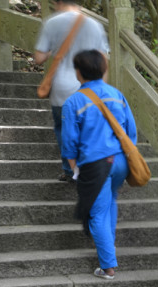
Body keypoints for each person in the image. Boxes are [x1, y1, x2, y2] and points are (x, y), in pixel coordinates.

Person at [62, 50, 137, 280]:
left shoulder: (74, 101)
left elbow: (69, 142)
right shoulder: (117, 95)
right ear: (103, 70)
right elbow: (131, 132)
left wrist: (75, 168)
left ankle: (108, 267)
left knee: (96, 213)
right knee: (109, 201)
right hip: (120, 161)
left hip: (96, 164)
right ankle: (109, 248)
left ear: (78, 72)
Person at [34, 0, 109, 182]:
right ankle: (90, 167)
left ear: (59, 2)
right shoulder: (95, 25)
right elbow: (103, 60)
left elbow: (38, 58)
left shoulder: (51, 22)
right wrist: (101, 88)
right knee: (88, 127)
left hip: (61, 87)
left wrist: (55, 50)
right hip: (89, 87)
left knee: (63, 128)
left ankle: (70, 169)